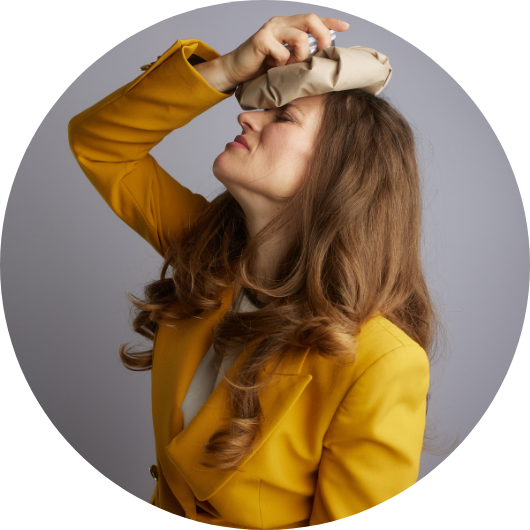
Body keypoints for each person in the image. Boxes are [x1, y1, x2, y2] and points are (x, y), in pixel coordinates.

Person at [69, 13, 443, 526]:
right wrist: (225, 69)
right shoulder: (208, 253)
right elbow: (99, 144)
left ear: (340, 173)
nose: (248, 118)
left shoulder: (382, 361)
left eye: (283, 117)